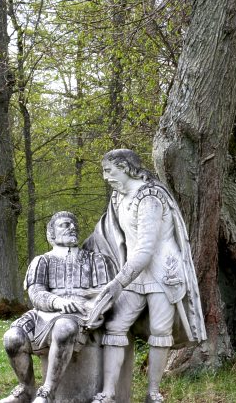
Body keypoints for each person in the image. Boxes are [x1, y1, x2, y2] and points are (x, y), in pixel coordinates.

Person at [83, 149, 206, 403]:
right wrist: (79, 253)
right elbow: (105, 233)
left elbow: (146, 249)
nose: (106, 177)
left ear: (126, 168)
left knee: (160, 331)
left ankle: (153, 392)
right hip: (134, 274)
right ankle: (108, 392)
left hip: (163, 273)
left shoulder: (150, 197)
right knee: (116, 326)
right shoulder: (118, 197)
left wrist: (117, 283)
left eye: (109, 171)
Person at [0, 211, 115, 403]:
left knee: (64, 328)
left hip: (81, 313)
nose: (72, 227)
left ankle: (48, 391)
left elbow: (106, 293)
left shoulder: (96, 260)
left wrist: (90, 305)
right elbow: (35, 293)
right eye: (64, 225)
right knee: (12, 338)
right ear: (51, 234)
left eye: (73, 224)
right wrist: (57, 302)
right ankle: (26, 389)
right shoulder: (42, 261)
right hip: (44, 313)